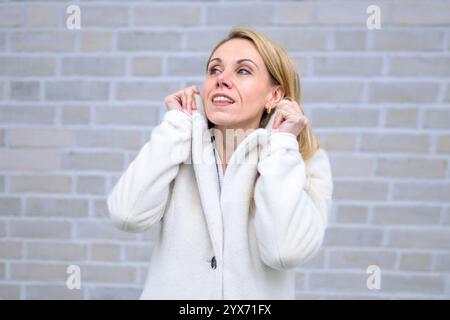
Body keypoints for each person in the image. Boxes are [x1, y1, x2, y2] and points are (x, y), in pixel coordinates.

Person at [107, 27, 333, 299]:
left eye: (243, 71)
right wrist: (177, 125)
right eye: (214, 70)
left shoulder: (305, 160)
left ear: (273, 96)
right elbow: (127, 215)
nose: (221, 80)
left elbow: (284, 251)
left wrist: (283, 147)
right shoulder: (178, 144)